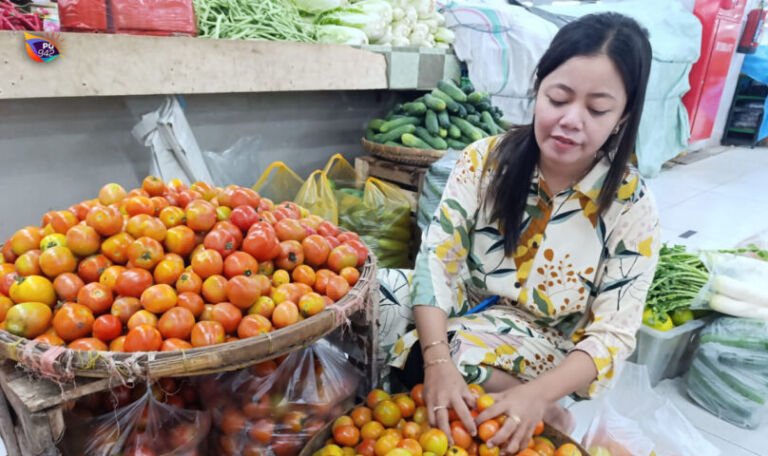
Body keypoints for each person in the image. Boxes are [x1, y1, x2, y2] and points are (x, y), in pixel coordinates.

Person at [376, 12, 660, 455]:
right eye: (558, 98)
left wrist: (535, 393)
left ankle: (545, 407)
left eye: (597, 109)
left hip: (549, 341)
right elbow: (436, 260)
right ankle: (443, 374)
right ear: (538, 88)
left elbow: (614, 333)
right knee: (367, 299)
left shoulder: (630, 205)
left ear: (622, 117)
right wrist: (436, 359)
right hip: (467, 302)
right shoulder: (484, 160)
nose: (571, 119)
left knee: (443, 355)